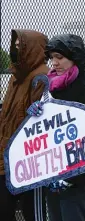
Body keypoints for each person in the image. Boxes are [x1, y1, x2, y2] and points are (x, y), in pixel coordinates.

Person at [27, 34, 85, 221]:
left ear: (75, 58)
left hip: (80, 176)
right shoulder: (51, 86)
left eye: (60, 57)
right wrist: (36, 115)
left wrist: (71, 177)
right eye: (52, 57)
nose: (54, 62)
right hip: (54, 172)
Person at [0, 29, 48, 221]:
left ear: (33, 49)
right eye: (15, 46)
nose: (16, 49)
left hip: (28, 159)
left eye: (21, 46)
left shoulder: (41, 77)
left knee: (32, 212)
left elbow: (37, 120)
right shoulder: (15, 76)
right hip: (6, 153)